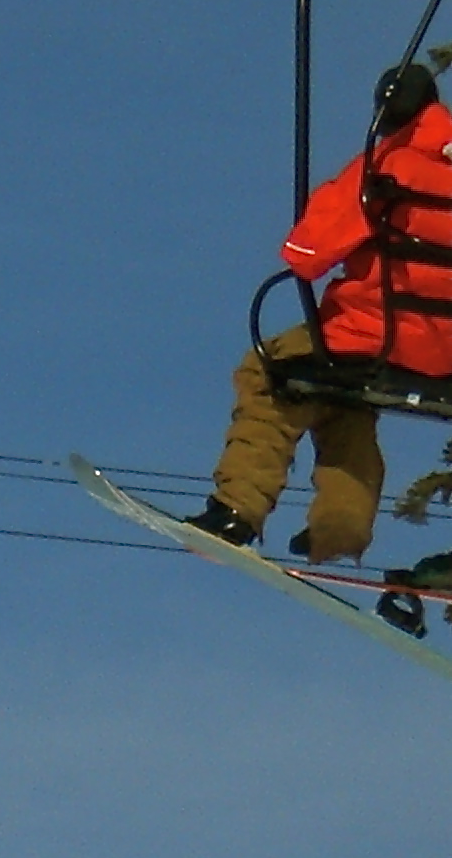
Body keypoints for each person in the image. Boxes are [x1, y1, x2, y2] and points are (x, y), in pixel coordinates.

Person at [189, 64, 452, 566]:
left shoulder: (387, 162)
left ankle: (236, 511)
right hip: (445, 355)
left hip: (374, 333)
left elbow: (307, 253)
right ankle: (339, 529)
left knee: (271, 372)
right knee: (344, 394)